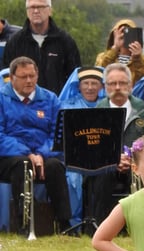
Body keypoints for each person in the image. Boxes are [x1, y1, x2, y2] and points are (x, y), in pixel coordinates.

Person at [0, 56, 71, 233]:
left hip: (43, 155)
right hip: (9, 158)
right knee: (22, 164)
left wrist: (41, 154)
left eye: (32, 76)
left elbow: (58, 134)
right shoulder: (1, 99)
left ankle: (64, 224)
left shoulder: (50, 99)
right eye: (23, 77)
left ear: (37, 75)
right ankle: (23, 224)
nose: (29, 81)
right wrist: (27, 154)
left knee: (55, 166)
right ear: (12, 78)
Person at [91, 63, 144, 225]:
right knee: (102, 175)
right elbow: (92, 145)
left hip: (136, 164)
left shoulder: (143, 112)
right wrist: (113, 159)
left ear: (130, 85)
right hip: (105, 165)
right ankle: (101, 226)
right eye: (112, 84)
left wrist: (133, 159)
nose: (117, 87)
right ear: (105, 87)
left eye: (122, 83)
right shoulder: (96, 112)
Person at [58, 66, 106, 230]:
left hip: (102, 157)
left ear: (101, 86)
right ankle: (74, 225)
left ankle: (101, 225)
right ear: (78, 86)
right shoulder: (66, 105)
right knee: (73, 179)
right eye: (86, 83)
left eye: (94, 83)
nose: (90, 87)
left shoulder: (107, 105)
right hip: (74, 158)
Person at [3, 0, 81, 95]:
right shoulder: (15, 42)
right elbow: (6, 76)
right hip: (23, 105)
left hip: (57, 104)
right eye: (32, 7)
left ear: (50, 10)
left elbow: (74, 77)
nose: (35, 11)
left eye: (40, 7)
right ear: (27, 11)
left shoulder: (65, 41)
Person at [95, 19, 144, 87]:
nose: (124, 35)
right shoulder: (102, 57)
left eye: (128, 32)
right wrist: (115, 48)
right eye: (121, 32)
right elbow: (99, 75)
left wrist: (137, 59)